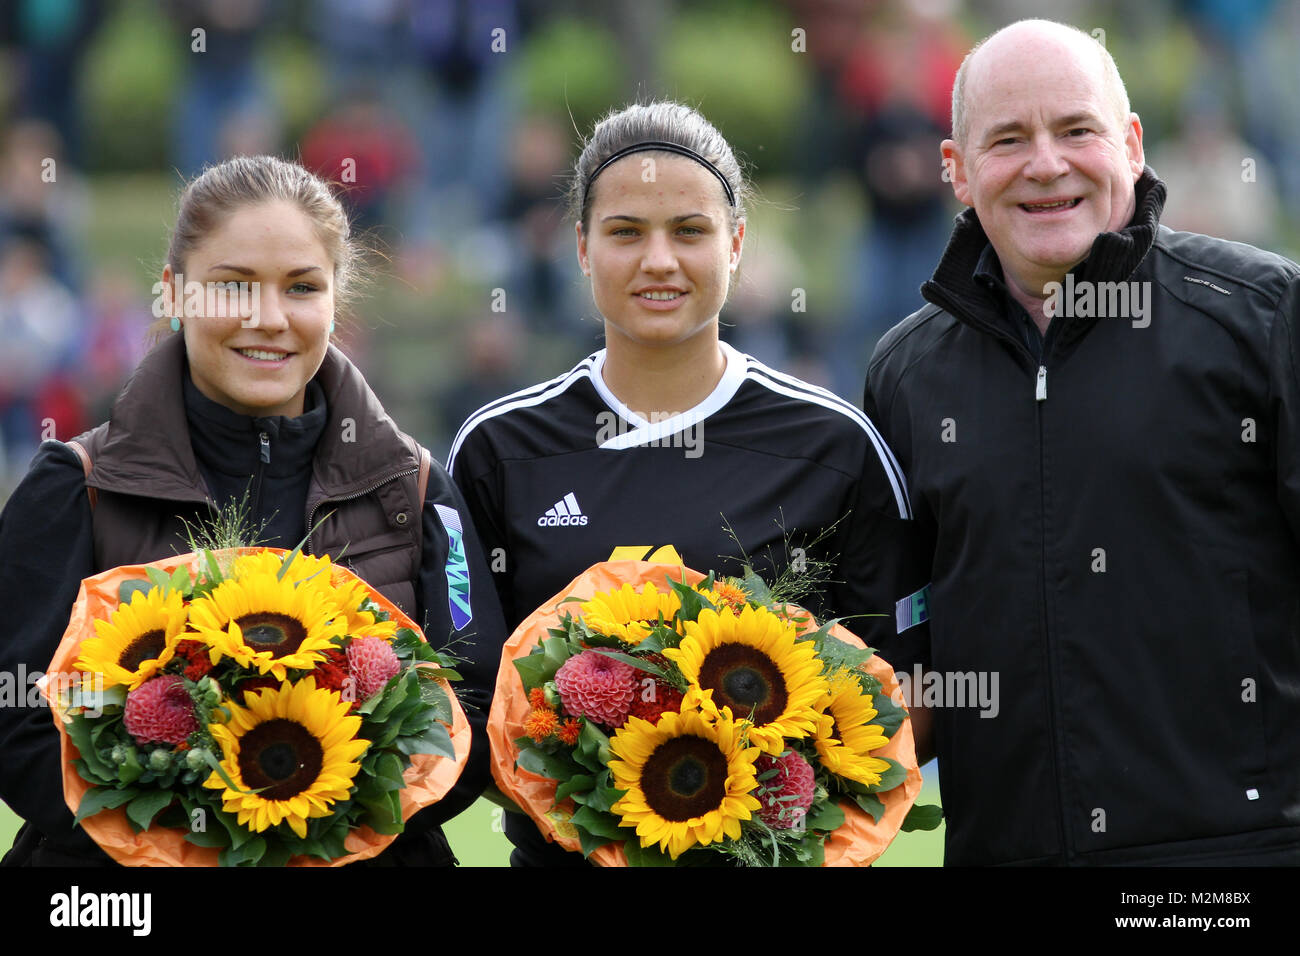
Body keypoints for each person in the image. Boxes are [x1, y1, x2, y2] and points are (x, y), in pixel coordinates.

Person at [864, 19, 1300, 865]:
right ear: (955, 170)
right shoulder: (905, 376)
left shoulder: (1263, 316)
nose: (1046, 164)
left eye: (1076, 130)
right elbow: (901, 659)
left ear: (1131, 145)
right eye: (1008, 140)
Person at [448, 101, 925, 866]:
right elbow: (469, 701)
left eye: (690, 231)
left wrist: (780, 806)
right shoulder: (499, 449)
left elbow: (906, 690)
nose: (659, 261)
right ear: (581, 246)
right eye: (626, 232)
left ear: (736, 243)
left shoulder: (832, 445)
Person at [0, 155, 503, 866]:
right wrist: (206, 830)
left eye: (301, 287)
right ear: (174, 293)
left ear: (336, 300)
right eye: (233, 287)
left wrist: (325, 813)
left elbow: (475, 717)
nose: (268, 319)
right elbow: (17, 726)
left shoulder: (415, 491)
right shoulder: (75, 486)